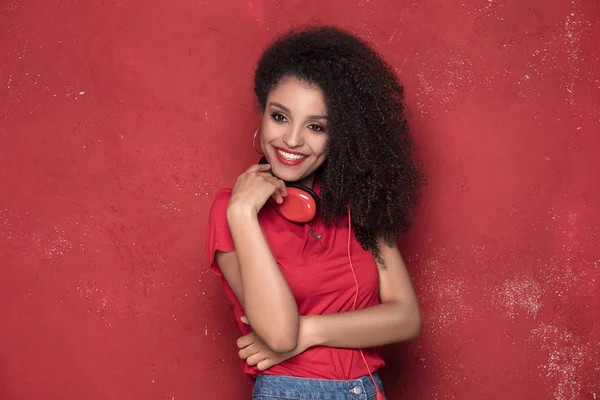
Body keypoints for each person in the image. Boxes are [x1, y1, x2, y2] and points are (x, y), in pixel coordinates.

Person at [206, 25, 425, 400]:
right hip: (290, 390)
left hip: (367, 390)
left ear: (341, 134)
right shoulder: (234, 210)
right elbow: (277, 333)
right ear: (262, 116)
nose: (291, 140)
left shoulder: (361, 202)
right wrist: (243, 213)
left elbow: (406, 318)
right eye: (279, 117)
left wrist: (307, 331)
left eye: (315, 126)